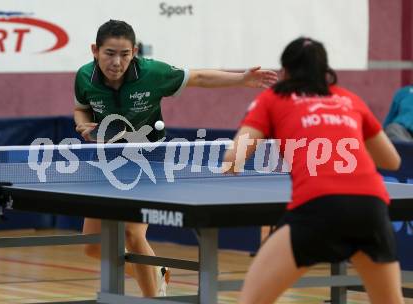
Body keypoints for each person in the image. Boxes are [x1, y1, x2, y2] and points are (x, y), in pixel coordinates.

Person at [73, 19, 278, 297]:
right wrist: (83, 124)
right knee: (93, 246)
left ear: (134, 52)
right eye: (110, 53)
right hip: (107, 159)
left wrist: (241, 79)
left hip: (150, 158)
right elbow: (81, 109)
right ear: (95, 50)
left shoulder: (152, 73)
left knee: (133, 235)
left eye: (124, 54)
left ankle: (153, 297)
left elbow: (198, 77)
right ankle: (157, 271)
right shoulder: (84, 76)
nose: (117, 62)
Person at [223, 37, 404, 304]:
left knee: (251, 301)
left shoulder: (273, 98)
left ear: (285, 70)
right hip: (371, 209)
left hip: (317, 209)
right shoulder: (349, 99)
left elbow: (234, 159)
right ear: (324, 70)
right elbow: (392, 161)